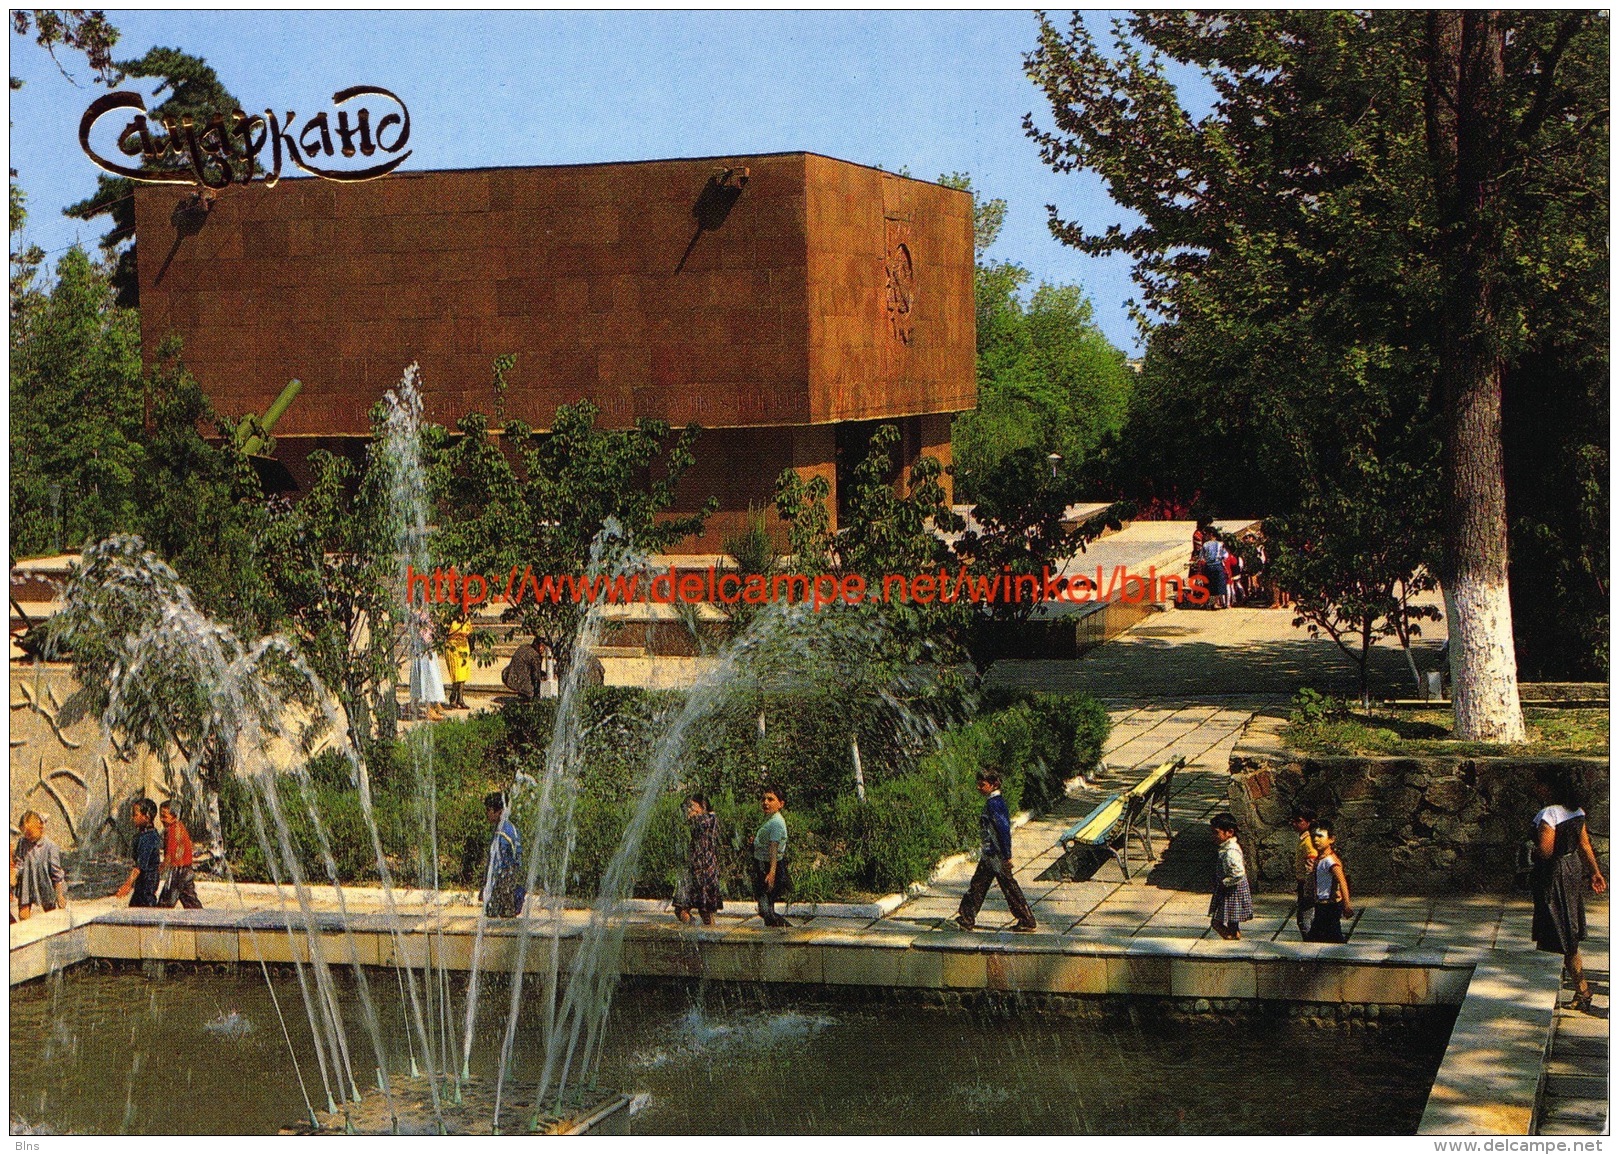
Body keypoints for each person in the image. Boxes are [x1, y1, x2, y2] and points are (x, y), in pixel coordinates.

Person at [1530, 768, 1606, 1011]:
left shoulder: (1549, 814)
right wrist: (1595, 871)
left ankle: (1582, 989)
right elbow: (1584, 844)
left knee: (1561, 930)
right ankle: (1579, 986)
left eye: (1540, 784)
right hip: (1572, 868)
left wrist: (1528, 849)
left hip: (1554, 873)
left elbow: (1546, 851)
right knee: (1567, 926)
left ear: (1550, 788)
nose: (1537, 788)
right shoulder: (1577, 812)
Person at [955, 768, 1038, 933]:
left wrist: (1007, 855)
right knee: (984, 885)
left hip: (995, 854)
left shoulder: (995, 805)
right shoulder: (993, 803)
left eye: (982, 784)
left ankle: (1026, 919)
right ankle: (967, 917)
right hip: (991, 853)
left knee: (999, 886)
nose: (979, 787)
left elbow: (1003, 831)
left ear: (993, 785)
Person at [674, 794, 723, 926]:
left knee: (705, 911)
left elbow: (706, 819)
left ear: (703, 807)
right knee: (680, 909)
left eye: (692, 807)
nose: (689, 810)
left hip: (706, 871)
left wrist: (698, 814)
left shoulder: (710, 820)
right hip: (694, 870)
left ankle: (710, 940)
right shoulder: (698, 821)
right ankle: (695, 932)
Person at [1303, 820, 1354, 943]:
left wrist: (1346, 905)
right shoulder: (1320, 859)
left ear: (1331, 839)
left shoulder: (1330, 861)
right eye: (1314, 836)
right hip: (1321, 904)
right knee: (1321, 935)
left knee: (1331, 934)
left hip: (1330, 905)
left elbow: (1342, 882)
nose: (1316, 840)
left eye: (1320, 836)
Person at [12, 810, 66, 920]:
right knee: (23, 914)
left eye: (30, 834)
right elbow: (19, 861)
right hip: (26, 882)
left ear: (40, 828)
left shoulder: (50, 847)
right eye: (24, 834)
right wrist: (15, 874)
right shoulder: (23, 843)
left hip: (44, 881)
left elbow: (56, 873)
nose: (27, 837)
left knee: (51, 912)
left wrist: (59, 894)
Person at [482, 791, 526, 919]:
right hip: (508, 880)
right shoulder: (509, 828)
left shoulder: (503, 834)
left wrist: (488, 885)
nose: (487, 814)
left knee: (501, 918)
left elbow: (499, 863)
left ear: (499, 811)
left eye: (489, 810)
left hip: (504, 882)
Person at [752, 787, 792, 928]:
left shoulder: (776, 822)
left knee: (765, 909)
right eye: (763, 799)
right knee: (766, 908)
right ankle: (776, 933)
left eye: (770, 799)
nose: (765, 803)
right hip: (764, 866)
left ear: (781, 804)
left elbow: (773, 846)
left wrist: (772, 872)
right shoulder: (770, 819)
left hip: (770, 867)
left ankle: (786, 930)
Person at [1209, 813, 1252, 939]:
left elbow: (1238, 873)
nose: (1213, 836)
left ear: (1229, 832)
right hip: (1230, 890)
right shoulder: (1227, 848)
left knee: (1217, 922)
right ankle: (1235, 937)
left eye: (1216, 832)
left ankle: (1231, 941)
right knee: (1232, 923)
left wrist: (1224, 883)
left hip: (1232, 892)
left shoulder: (1231, 852)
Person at [115, 798, 164, 907]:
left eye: (135, 815)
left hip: (148, 879)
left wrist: (127, 884)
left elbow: (140, 866)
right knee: (136, 905)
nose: (132, 818)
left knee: (146, 903)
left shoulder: (148, 838)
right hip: (146, 878)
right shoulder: (147, 834)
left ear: (146, 817)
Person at [156, 800, 203, 910]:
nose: (161, 819)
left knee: (165, 901)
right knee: (190, 900)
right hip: (187, 868)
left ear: (175, 816)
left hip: (178, 871)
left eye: (164, 816)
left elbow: (169, 856)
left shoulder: (172, 831)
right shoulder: (179, 827)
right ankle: (203, 919)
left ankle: (157, 924)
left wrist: (159, 871)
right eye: (160, 816)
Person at [408, 610, 446, 721]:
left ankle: (418, 705)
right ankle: (429, 709)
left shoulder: (423, 612)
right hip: (424, 650)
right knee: (426, 677)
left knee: (427, 676)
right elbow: (424, 634)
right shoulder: (419, 614)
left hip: (425, 649)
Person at [1290, 806, 1319, 938]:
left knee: (1304, 919)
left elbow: (1311, 866)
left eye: (1298, 821)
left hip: (1307, 885)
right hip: (1304, 884)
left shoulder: (1308, 842)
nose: (1294, 824)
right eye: (1293, 820)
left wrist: (1308, 887)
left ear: (1309, 822)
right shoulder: (1304, 839)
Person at [501, 635, 549, 700]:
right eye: (542, 646)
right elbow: (536, 676)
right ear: (536, 645)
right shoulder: (535, 656)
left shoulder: (524, 647)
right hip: (520, 680)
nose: (542, 649)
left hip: (509, 676)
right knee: (534, 692)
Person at [444, 617, 473, 711]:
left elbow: (469, 631)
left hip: (464, 646)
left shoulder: (466, 617)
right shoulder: (449, 615)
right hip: (453, 646)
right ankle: (453, 696)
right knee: (457, 673)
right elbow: (446, 631)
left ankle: (460, 698)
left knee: (463, 673)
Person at [1201, 534, 1229, 609]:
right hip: (1217, 566)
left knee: (1210, 585)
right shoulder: (1220, 544)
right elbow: (1226, 555)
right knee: (1219, 585)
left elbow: (1202, 558)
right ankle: (1215, 602)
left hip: (1208, 567)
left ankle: (1211, 603)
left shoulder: (1205, 545)